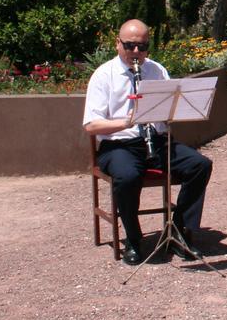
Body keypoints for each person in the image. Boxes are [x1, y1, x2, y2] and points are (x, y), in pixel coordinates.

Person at [82, 19, 214, 265]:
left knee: (200, 165)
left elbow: (169, 110)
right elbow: (91, 125)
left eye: (142, 47)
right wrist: (127, 122)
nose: (136, 53)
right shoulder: (103, 75)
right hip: (120, 143)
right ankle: (133, 238)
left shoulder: (156, 70)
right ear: (117, 44)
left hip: (156, 139)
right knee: (128, 177)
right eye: (130, 46)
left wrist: (173, 111)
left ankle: (179, 229)